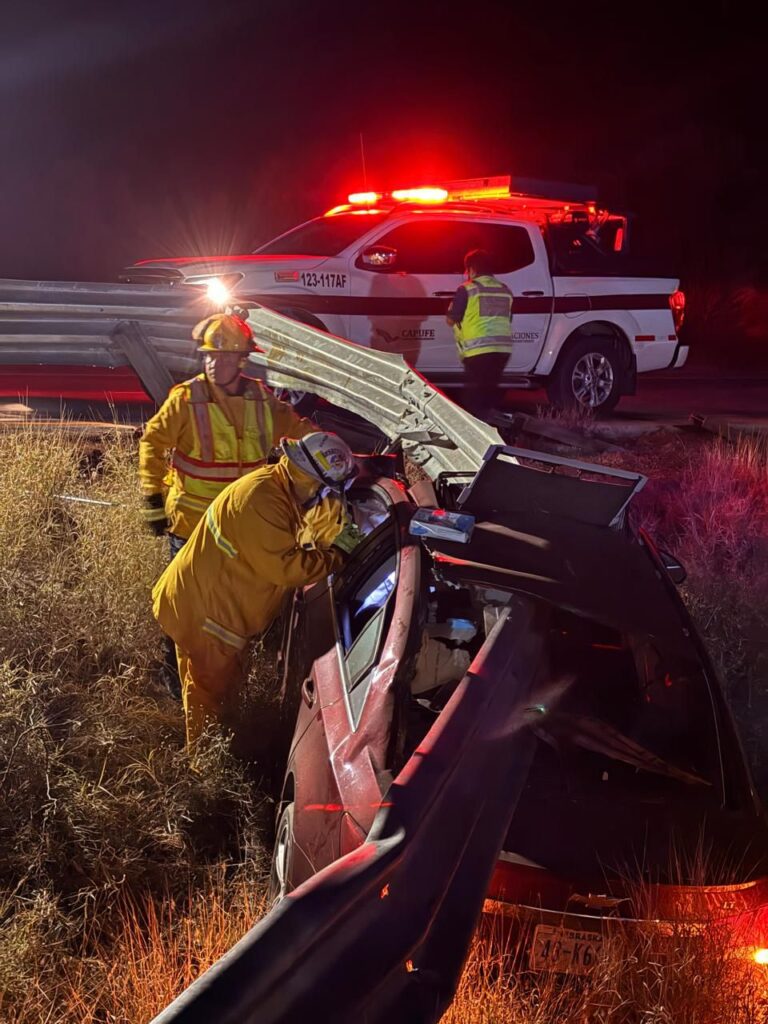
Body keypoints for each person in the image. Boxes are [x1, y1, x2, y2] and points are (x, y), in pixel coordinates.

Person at [152, 431, 363, 752]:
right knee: (207, 702)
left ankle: (215, 747)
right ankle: (202, 770)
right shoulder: (262, 501)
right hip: (207, 617)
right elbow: (288, 568)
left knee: (214, 693)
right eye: (324, 488)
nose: (324, 496)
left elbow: (300, 528)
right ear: (311, 479)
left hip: (209, 605)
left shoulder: (276, 487)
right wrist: (339, 554)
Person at [139, 312, 315, 558]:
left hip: (243, 524)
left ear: (242, 361)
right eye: (210, 355)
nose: (214, 363)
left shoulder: (261, 399)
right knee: (189, 595)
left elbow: (300, 433)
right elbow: (152, 442)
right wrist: (153, 499)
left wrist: (333, 452)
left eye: (224, 357)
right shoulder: (186, 398)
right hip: (193, 527)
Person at [445, 249, 514, 417]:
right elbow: (508, 318)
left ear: (472, 269)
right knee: (488, 396)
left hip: (478, 351)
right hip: (502, 351)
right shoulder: (504, 289)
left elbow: (452, 319)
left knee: (473, 401)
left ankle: (476, 436)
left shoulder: (468, 289)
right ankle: (496, 431)